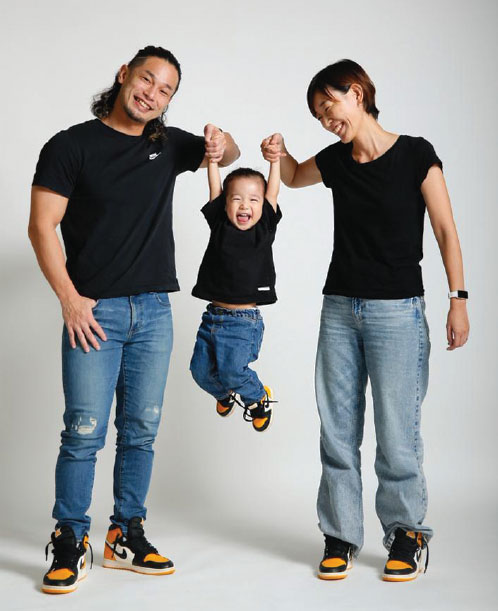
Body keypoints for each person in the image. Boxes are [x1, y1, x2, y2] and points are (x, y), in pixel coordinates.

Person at [29, 45, 240, 594]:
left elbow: (228, 153)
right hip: (93, 312)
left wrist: (221, 143)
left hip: (154, 311)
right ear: (124, 74)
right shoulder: (70, 145)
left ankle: (125, 534)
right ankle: (70, 538)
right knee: (83, 432)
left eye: (166, 90)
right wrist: (70, 299)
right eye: (147, 79)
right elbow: (41, 226)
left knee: (141, 431)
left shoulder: (166, 145)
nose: (152, 94)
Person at [261, 59, 469, 582]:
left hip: (397, 312)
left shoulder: (416, 154)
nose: (325, 119)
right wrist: (278, 153)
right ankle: (340, 536)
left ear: (356, 92)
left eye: (328, 105)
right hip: (339, 308)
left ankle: (406, 534)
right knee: (337, 430)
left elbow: (445, 229)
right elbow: (294, 175)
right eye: (317, 115)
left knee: (397, 432)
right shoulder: (335, 160)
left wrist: (458, 299)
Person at [189, 152, 281, 432]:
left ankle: (258, 398)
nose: (244, 205)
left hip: (243, 322)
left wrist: (275, 161)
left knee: (233, 372)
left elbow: (273, 192)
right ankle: (225, 394)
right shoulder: (219, 224)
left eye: (253, 200)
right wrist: (212, 161)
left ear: (262, 205)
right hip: (212, 317)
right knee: (199, 371)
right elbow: (214, 189)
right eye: (237, 199)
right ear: (225, 204)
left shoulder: (264, 227)